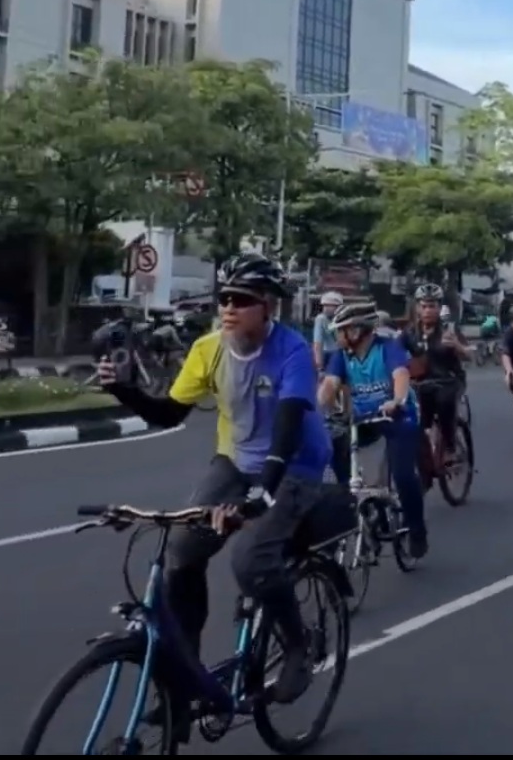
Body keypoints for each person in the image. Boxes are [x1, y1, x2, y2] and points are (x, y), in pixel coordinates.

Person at [96, 253, 334, 736]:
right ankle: (185, 681)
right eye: (224, 298)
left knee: (250, 559)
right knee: (182, 554)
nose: (229, 307)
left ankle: (295, 646)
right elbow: (169, 415)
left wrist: (262, 496)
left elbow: (287, 427)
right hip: (234, 459)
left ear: (268, 306)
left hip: (294, 465)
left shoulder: (291, 352)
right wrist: (124, 391)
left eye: (241, 300)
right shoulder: (208, 349)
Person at [318, 301, 429, 557]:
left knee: (402, 475)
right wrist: (313, 412)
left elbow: (400, 375)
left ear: (356, 331)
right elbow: (329, 386)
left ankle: (416, 529)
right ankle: (359, 505)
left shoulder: (388, 348)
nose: (337, 336)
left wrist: (397, 401)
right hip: (362, 419)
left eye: (341, 330)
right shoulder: (341, 356)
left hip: (398, 417)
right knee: (336, 449)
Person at [399, 283, 471, 464]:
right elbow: (393, 353)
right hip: (420, 382)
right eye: (424, 306)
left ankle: (450, 447)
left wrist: (457, 345)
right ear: (417, 308)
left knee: (444, 402)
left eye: (432, 306)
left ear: (439, 308)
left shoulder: (449, 330)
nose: (428, 311)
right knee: (410, 415)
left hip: (449, 380)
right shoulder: (409, 333)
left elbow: (469, 354)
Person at [310, 291, 343, 372]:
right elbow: (318, 343)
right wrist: (319, 365)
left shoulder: (342, 318)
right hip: (327, 353)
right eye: (324, 305)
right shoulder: (321, 319)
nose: (326, 308)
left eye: (329, 305)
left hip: (339, 353)